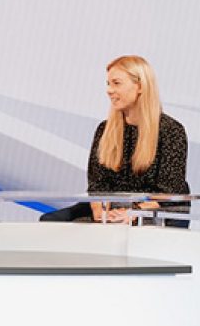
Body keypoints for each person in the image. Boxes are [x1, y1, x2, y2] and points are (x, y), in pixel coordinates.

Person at [40, 55, 189, 222]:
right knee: (51, 220)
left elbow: (168, 193)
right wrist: (100, 211)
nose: (109, 90)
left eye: (116, 83)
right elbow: (97, 186)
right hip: (110, 206)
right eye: (108, 84)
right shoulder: (104, 130)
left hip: (153, 209)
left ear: (140, 86)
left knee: (122, 230)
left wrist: (132, 213)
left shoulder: (171, 131)